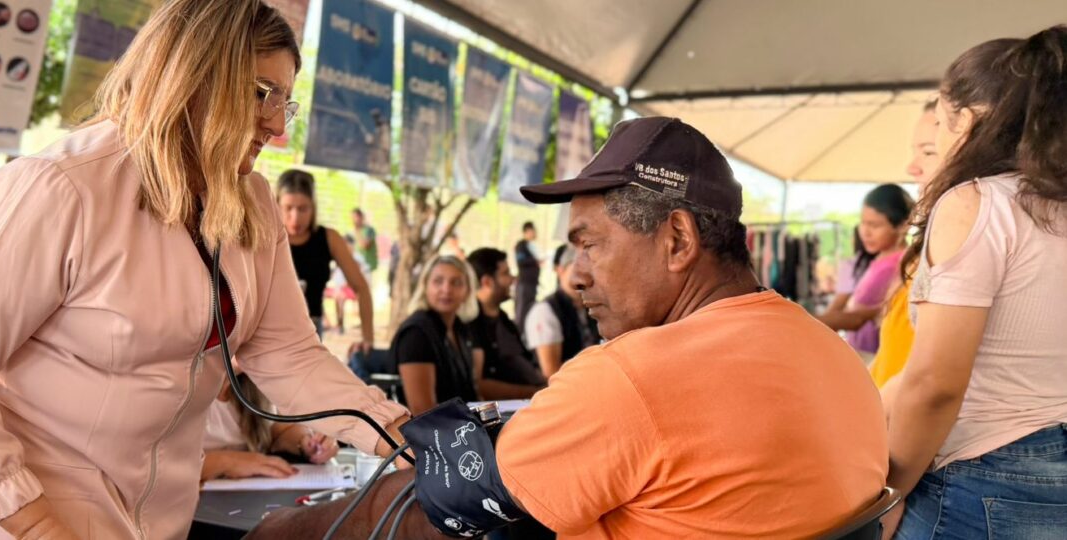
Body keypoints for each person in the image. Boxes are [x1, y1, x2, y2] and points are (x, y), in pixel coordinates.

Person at [0, 3, 410, 538]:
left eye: (285, 102)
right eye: (261, 93)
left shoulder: (251, 199)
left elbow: (289, 354)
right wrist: (34, 521)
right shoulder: (62, 187)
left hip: (157, 519)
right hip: (27, 518)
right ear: (194, 74)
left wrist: (403, 435)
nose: (277, 124)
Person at [249, 117, 887, 539]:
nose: (575, 276)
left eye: (590, 246)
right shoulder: (824, 351)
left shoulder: (634, 378)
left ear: (678, 239)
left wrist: (274, 533)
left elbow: (438, 509)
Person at [882, 28, 1067, 539]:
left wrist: (891, 492)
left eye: (939, 125)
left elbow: (936, 383)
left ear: (965, 120)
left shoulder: (978, 203)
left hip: (983, 473)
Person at [867, 100, 941, 387]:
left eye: (928, 152)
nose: (912, 167)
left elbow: (929, 377)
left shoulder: (955, 242)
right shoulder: (923, 246)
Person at [277, 169, 374, 351]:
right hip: (267, 330)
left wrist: (368, 338)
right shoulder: (264, 236)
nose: (295, 217)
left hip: (310, 330)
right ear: (276, 205)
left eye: (303, 208)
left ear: (313, 208)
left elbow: (361, 287)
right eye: (288, 208)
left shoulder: (329, 238)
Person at [816, 184, 914, 358]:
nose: (865, 232)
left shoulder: (892, 266)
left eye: (874, 225)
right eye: (863, 222)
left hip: (873, 355)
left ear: (903, 226)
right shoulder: (881, 259)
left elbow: (856, 319)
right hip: (865, 351)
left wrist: (799, 322)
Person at [201, 371, 338, 482]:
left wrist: (305, 442)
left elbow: (276, 431)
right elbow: (179, 466)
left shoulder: (255, 380)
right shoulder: (184, 386)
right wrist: (227, 462)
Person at [390, 256, 481, 415]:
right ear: (425, 286)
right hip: (430, 435)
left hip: (462, 427)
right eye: (438, 281)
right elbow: (423, 410)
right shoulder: (416, 334)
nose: (446, 289)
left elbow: (472, 394)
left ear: (468, 290)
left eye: (456, 282)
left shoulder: (460, 329)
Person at [466, 248, 545, 400]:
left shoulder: (504, 319)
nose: (512, 279)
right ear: (487, 282)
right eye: (505, 273)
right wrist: (536, 392)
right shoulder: (470, 325)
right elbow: (479, 385)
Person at [524, 245, 600, 378]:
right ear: (560, 270)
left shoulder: (591, 306)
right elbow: (551, 374)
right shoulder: (545, 311)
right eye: (578, 270)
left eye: (590, 271)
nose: (584, 279)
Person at [513, 222, 543, 324]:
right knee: (522, 311)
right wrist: (535, 261)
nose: (535, 233)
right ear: (527, 231)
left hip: (532, 283)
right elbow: (521, 261)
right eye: (533, 231)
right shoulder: (521, 245)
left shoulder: (532, 246)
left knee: (530, 308)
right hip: (524, 283)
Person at [352, 208, 378, 275]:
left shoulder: (369, 230)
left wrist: (357, 232)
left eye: (355, 217)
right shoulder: (353, 231)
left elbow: (365, 245)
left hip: (367, 266)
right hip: (357, 265)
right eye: (352, 217)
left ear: (361, 217)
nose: (353, 220)